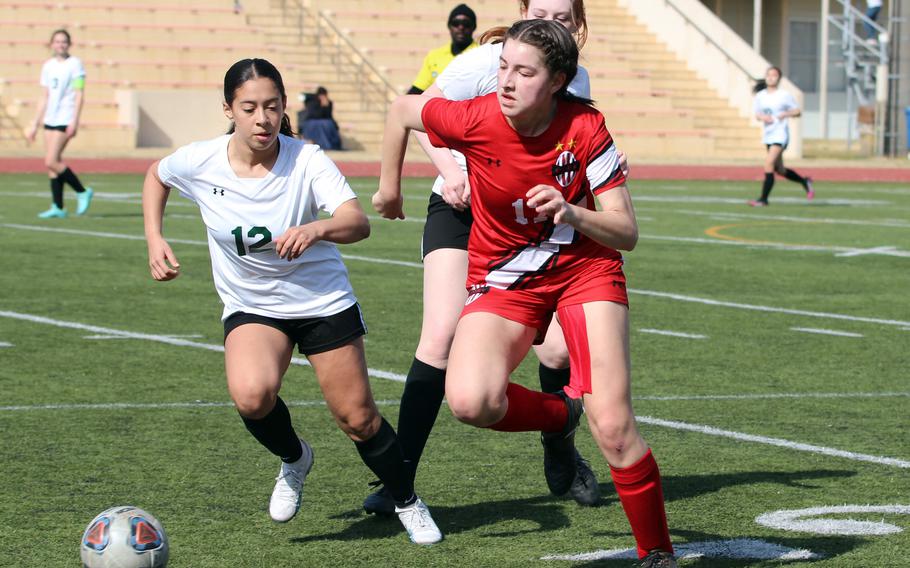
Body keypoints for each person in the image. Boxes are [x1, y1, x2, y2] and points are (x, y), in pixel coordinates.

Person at [375, 20, 676, 568]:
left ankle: (656, 552)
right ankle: (558, 418)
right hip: (505, 275)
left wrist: (570, 211)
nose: (507, 82)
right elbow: (402, 110)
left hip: (584, 267)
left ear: (558, 79)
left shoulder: (586, 128)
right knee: (471, 400)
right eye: (503, 67)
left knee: (612, 425)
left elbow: (626, 231)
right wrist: (389, 187)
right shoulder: (474, 115)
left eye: (524, 72)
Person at [141, 58, 441, 545]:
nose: (263, 118)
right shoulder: (201, 160)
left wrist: (317, 228)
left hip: (322, 302)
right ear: (229, 110)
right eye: (250, 107)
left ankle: (407, 499)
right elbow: (157, 175)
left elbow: (357, 221)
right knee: (252, 397)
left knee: (358, 419)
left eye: (273, 107)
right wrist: (155, 238)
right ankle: (295, 458)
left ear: (284, 109)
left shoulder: (307, 160)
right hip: (253, 305)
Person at [362, 0, 606, 517]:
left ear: (577, 25)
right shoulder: (487, 61)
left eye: (562, 17)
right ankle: (399, 479)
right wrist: (450, 173)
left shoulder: (572, 77)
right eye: (541, 11)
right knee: (442, 335)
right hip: (462, 208)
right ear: (521, 10)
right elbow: (419, 112)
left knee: (558, 354)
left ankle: (559, 436)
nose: (550, 22)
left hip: (530, 226)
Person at [25, 29, 93, 219]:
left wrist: (75, 119)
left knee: (51, 160)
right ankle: (58, 206)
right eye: (57, 41)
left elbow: (79, 94)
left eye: (64, 41)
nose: (60, 44)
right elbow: (44, 97)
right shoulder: (47, 66)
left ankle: (82, 191)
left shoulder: (75, 64)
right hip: (50, 118)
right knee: (52, 165)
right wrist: (35, 124)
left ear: (69, 44)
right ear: (52, 44)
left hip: (65, 117)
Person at [748, 66, 814, 207]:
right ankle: (804, 182)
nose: (771, 77)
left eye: (774, 75)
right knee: (780, 170)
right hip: (769, 135)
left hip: (780, 134)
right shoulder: (760, 96)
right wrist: (763, 117)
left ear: (779, 79)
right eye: (769, 75)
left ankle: (763, 199)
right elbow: (757, 114)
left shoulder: (784, 95)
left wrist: (786, 114)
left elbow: (797, 111)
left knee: (768, 163)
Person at [407, 4, 479, 95]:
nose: (461, 27)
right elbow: (419, 88)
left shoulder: (482, 54)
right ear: (449, 26)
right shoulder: (434, 55)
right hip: (438, 107)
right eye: (456, 23)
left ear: (474, 27)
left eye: (466, 24)